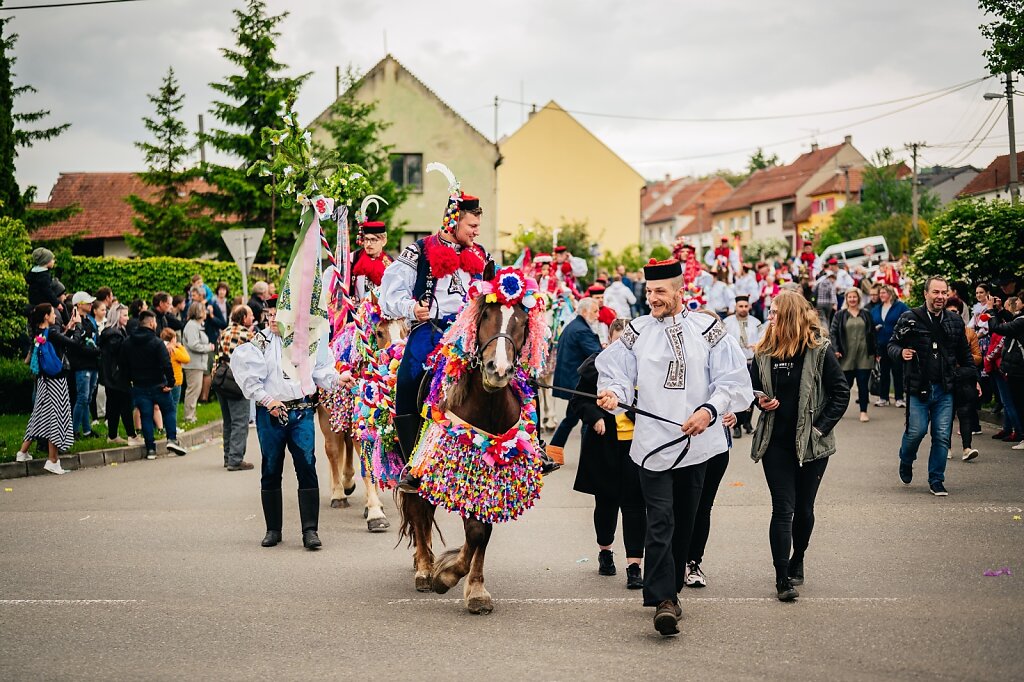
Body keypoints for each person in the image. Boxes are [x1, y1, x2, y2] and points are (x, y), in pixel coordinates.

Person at [596, 258, 753, 637]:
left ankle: (673, 589)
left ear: (680, 292)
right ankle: (663, 600)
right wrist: (613, 393)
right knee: (660, 519)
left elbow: (733, 380)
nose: (653, 298)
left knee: (685, 520)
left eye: (661, 291)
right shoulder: (636, 331)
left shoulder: (708, 329)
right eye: (649, 291)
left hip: (698, 445)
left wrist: (709, 410)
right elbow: (618, 373)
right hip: (652, 446)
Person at [379, 163, 490, 464]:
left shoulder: (480, 254)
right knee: (408, 379)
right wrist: (411, 308)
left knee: (513, 371)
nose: (477, 232)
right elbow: (389, 295)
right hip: (431, 330)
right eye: (472, 226)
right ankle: (411, 459)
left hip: (472, 331)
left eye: (478, 226)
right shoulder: (419, 251)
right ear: (453, 222)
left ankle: (531, 444)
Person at [749, 291, 850, 601]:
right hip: (775, 443)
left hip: (811, 444)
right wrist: (760, 400)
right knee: (783, 509)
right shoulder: (764, 351)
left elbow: (840, 393)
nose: (769, 316)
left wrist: (819, 429)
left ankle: (798, 556)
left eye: (775, 312)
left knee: (804, 510)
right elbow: (752, 387)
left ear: (790, 315)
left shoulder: (819, 350)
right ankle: (782, 578)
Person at [231, 297, 341, 549]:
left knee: (307, 466)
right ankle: (273, 530)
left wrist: (338, 379)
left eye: (277, 314)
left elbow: (321, 371)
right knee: (270, 468)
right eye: (269, 314)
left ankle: (310, 531)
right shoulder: (260, 342)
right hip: (270, 414)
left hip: (301, 412)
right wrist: (268, 400)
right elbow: (249, 378)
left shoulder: (306, 341)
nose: (272, 319)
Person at [570, 319, 645, 590]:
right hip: (604, 446)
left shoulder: (644, 366)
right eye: (618, 341)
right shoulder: (596, 365)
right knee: (606, 503)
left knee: (635, 506)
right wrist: (596, 417)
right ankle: (605, 551)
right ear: (609, 341)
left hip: (637, 447)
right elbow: (579, 401)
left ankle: (634, 566)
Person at [889, 276, 973, 496]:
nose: (940, 297)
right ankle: (906, 459)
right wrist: (901, 352)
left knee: (942, 435)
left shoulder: (955, 321)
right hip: (918, 387)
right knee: (916, 432)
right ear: (925, 293)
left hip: (945, 389)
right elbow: (892, 344)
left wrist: (969, 377)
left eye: (944, 292)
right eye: (936, 292)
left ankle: (936, 479)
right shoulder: (909, 318)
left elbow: (965, 355)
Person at [14, 304, 75, 474]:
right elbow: (73, 343)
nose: (55, 316)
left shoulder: (39, 333)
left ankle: (23, 452)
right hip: (56, 380)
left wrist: (69, 328)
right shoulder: (52, 332)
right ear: (46, 316)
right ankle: (53, 460)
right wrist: (76, 329)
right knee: (57, 416)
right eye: (52, 313)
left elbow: (59, 342)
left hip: (43, 379)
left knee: (40, 414)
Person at [121, 310, 188, 460]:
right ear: (151, 323)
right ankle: (171, 439)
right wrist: (170, 382)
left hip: (139, 385)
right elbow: (166, 364)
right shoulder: (157, 342)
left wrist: (130, 381)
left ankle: (150, 449)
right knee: (169, 410)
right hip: (159, 384)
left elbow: (123, 365)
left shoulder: (127, 343)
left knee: (146, 415)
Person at [548, 297, 603, 465]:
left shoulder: (574, 326)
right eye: (595, 311)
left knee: (572, 419)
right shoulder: (581, 330)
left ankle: (553, 454)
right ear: (584, 312)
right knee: (585, 419)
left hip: (570, 380)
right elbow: (597, 355)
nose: (598, 315)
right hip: (576, 383)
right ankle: (583, 458)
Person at [217, 304, 255, 470]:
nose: (253, 318)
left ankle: (228, 456)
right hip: (237, 381)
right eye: (250, 315)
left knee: (228, 421)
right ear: (243, 318)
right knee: (240, 421)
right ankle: (235, 459)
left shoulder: (224, 332)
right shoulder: (247, 334)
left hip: (221, 379)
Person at [945, 297, 983, 461]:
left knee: (965, 412)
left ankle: (967, 448)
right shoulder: (940, 331)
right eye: (950, 311)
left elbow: (977, 358)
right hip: (946, 377)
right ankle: (946, 448)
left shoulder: (969, 332)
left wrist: (963, 358)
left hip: (964, 377)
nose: (953, 314)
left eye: (956, 312)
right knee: (946, 414)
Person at [830, 288, 875, 423]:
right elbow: (833, 333)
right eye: (850, 297)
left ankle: (863, 412)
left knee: (863, 384)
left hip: (864, 355)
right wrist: (836, 349)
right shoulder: (840, 315)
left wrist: (876, 352)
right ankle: (838, 410)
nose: (852, 299)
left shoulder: (866, 314)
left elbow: (872, 333)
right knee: (844, 386)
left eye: (854, 297)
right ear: (846, 299)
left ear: (859, 298)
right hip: (846, 356)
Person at [986, 296, 1024, 449]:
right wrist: (1000, 309)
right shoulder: (1019, 320)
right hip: (1016, 367)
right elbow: (1011, 321)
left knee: (1018, 403)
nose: (1016, 302)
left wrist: (990, 311)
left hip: (1018, 368)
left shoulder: (1021, 321)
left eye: (1019, 300)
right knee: (1016, 402)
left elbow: (999, 328)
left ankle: (1021, 434)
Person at [98, 305, 140, 446]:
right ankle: (131, 435)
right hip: (117, 376)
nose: (127, 318)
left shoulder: (114, 332)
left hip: (112, 376)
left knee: (114, 406)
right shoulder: (115, 335)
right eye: (124, 315)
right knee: (125, 405)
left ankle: (113, 436)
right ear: (117, 316)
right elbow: (122, 356)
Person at [723, 295, 762, 438]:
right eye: (741, 306)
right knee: (736, 394)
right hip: (733, 364)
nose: (743, 309)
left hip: (751, 362)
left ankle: (748, 422)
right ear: (736, 307)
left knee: (750, 393)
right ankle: (737, 425)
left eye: (746, 306)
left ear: (749, 307)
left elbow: (763, 340)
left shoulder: (756, 323)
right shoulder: (726, 322)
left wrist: (758, 346)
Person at [66, 291, 102, 439]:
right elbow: (76, 344)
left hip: (92, 364)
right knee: (82, 398)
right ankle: (73, 431)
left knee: (87, 399)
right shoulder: (76, 321)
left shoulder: (89, 320)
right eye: (88, 302)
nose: (91, 304)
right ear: (79, 305)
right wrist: (94, 351)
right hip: (82, 365)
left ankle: (86, 430)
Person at [872, 285, 909, 407]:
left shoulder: (900, 307)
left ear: (890, 293)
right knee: (883, 371)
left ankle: (899, 398)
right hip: (881, 345)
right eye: (880, 293)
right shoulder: (876, 309)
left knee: (898, 371)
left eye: (884, 292)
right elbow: (871, 325)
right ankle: (883, 397)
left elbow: (908, 320)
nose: (881, 295)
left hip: (896, 345)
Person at [182, 302, 215, 423]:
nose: (205, 312)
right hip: (193, 363)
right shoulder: (192, 326)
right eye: (203, 310)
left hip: (198, 363)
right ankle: (189, 416)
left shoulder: (197, 325)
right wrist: (208, 347)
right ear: (198, 312)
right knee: (193, 390)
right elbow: (193, 344)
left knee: (196, 390)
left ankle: (192, 415)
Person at [350, 219, 393, 301]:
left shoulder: (390, 264)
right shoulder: (353, 259)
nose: (368, 244)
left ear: (383, 241)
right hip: (356, 307)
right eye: (366, 239)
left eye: (373, 240)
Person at [25, 248, 63, 315]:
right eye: (52, 259)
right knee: (63, 308)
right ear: (46, 261)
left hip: (33, 303)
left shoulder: (33, 273)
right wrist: (57, 304)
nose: (54, 261)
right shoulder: (44, 276)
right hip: (43, 305)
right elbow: (48, 292)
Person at [161, 327, 189, 411]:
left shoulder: (162, 349)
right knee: (174, 405)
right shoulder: (174, 351)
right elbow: (187, 359)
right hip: (176, 381)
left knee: (164, 405)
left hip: (164, 380)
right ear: (173, 339)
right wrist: (181, 347)